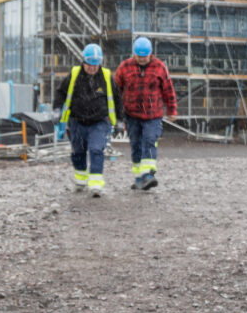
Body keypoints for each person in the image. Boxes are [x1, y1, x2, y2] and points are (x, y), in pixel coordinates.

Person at [53, 43, 122, 197]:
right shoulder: (74, 74)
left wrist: (119, 120)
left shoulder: (106, 77)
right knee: (78, 151)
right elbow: (60, 93)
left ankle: (96, 184)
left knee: (96, 150)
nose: (92, 68)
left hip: (99, 122)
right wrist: (57, 109)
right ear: (83, 61)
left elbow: (117, 99)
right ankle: (81, 180)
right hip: (77, 121)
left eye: (95, 65)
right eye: (89, 64)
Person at [113, 36, 178, 190]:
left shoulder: (160, 67)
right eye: (139, 57)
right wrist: (116, 114)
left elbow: (168, 90)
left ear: (150, 54)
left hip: (153, 115)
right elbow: (116, 91)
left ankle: (148, 175)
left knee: (149, 140)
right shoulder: (124, 67)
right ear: (134, 54)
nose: (142, 59)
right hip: (131, 115)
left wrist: (172, 110)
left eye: (145, 57)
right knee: (135, 145)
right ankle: (138, 177)